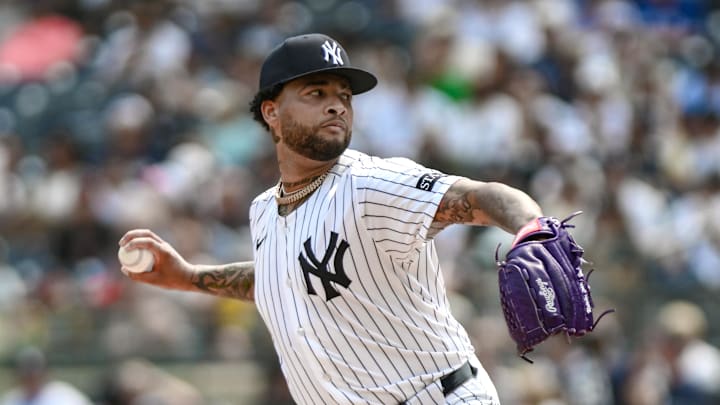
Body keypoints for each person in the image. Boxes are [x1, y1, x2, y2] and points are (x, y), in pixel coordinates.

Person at [119, 33, 545, 404]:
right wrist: (191, 277)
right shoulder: (264, 210)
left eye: (344, 95)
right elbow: (282, 277)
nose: (337, 106)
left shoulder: (371, 185)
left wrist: (532, 230)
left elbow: (483, 196)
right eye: (316, 93)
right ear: (271, 112)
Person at [1, 346, 93, 405]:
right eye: (27, 375)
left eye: (34, 374)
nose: (31, 379)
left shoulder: (65, 396)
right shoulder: (10, 399)